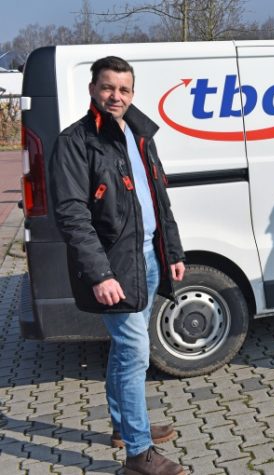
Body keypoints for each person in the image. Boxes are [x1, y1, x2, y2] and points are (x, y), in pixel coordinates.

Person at [51, 56, 187, 475]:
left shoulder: (140, 134)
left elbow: (158, 198)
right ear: (93, 88)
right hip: (115, 267)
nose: (116, 96)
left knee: (126, 351)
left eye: (124, 89)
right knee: (134, 353)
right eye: (108, 87)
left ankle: (124, 425)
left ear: (132, 93)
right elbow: (72, 213)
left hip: (146, 256)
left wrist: (174, 252)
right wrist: (101, 273)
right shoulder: (76, 141)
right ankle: (138, 453)